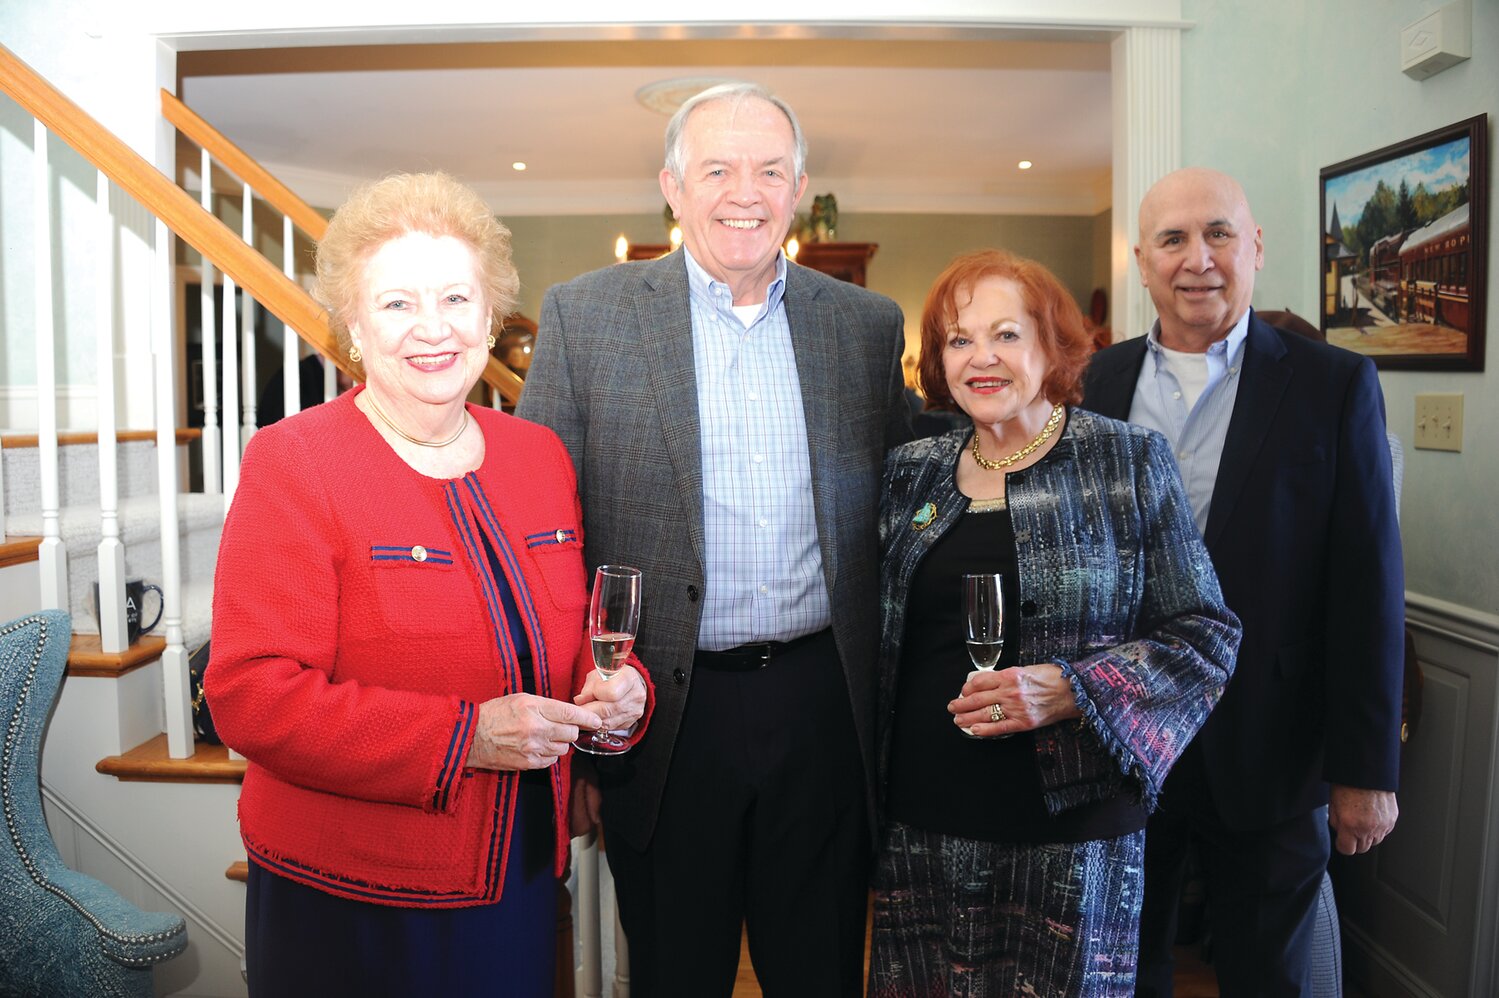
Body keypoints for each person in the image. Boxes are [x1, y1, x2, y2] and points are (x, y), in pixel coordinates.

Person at [206, 172, 652, 998]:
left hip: (518, 875)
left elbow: (568, 638)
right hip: (351, 897)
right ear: (352, 324)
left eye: (455, 298)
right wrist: (466, 738)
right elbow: (250, 694)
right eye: (397, 303)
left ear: (490, 315)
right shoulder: (296, 461)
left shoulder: (537, 456)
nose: (433, 329)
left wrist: (616, 695)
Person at [515, 82, 911, 996]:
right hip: (662, 713)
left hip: (822, 705)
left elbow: (907, 503)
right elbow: (541, 534)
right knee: (675, 971)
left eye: (770, 170)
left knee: (817, 971)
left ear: (800, 186)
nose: (745, 191)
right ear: (672, 186)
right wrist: (571, 734)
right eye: (718, 169)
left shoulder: (863, 325)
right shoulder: (587, 316)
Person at [871, 248, 1240, 996]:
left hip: (1071, 825)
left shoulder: (1124, 461)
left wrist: (1071, 688)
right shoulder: (910, 468)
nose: (982, 358)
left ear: (1051, 347)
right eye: (958, 339)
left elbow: (1204, 634)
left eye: (1006, 335)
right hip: (925, 818)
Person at [1081, 167, 1404, 996]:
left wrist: (1364, 770)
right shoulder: (1089, 386)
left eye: (1219, 233)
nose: (1198, 259)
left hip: (1272, 748)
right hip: (1118, 748)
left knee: (1272, 980)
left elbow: (1367, 584)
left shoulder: (1332, 385)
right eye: (1173, 239)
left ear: (1254, 247)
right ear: (1140, 260)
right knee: (1119, 974)